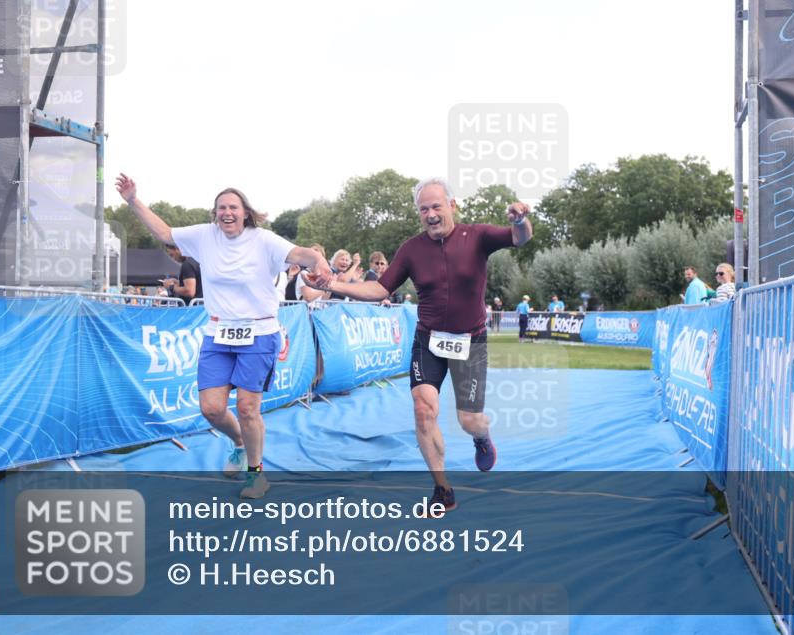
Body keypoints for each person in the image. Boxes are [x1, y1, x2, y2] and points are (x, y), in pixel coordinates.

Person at [305, 177, 532, 513]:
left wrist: (519, 219)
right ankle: (443, 490)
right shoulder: (412, 249)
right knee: (423, 409)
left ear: (452, 206)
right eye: (423, 209)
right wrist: (334, 283)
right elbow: (378, 290)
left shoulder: (477, 236)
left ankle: (481, 437)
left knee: (470, 420)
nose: (430, 214)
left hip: (470, 341)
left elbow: (520, 238)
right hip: (429, 341)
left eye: (436, 206)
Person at [115, 173, 331, 499]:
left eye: (233, 207)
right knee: (211, 409)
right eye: (221, 208)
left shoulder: (265, 240)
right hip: (219, 332)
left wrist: (321, 262)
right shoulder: (205, 236)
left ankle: (256, 474)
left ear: (246, 212)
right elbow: (163, 233)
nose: (227, 213)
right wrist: (133, 200)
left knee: (247, 408)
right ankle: (240, 442)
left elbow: (302, 254)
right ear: (214, 213)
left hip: (259, 332)